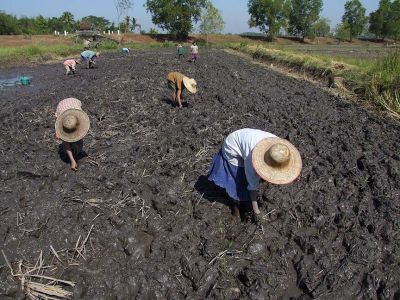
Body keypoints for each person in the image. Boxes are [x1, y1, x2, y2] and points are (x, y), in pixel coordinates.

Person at [208, 128, 302, 220]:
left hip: (245, 138)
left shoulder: (279, 147)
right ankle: (235, 207)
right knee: (239, 184)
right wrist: (256, 211)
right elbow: (252, 188)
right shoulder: (251, 160)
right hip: (232, 147)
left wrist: (293, 176)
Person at [54, 98, 90, 171]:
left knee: (79, 137)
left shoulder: (77, 115)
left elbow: (82, 131)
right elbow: (57, 130)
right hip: (62, 108)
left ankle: (77, 150)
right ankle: (72, 160)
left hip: (73, 104)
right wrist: (57, 134)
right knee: (65, 141)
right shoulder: (62, 119)